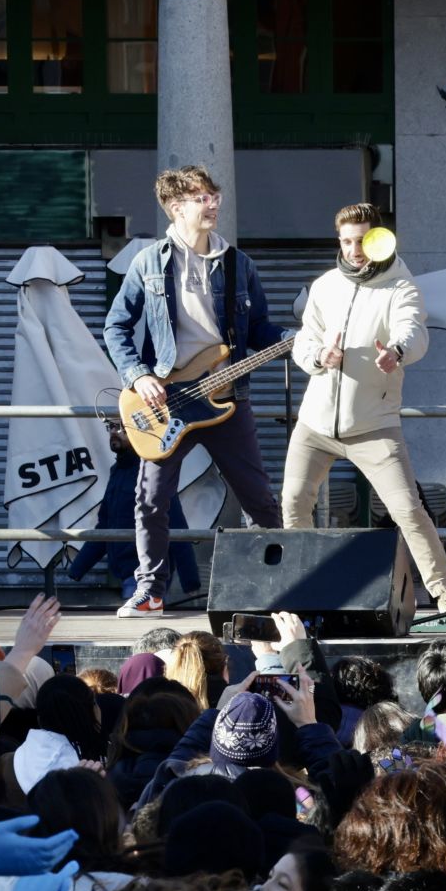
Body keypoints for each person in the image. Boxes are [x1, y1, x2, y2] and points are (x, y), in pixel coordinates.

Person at [105, 164, 288, 617]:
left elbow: (261, 327)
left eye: (214, 195)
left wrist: (296, 340)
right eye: (201, 197)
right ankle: (150, 591)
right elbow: (116, 326)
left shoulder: (238, 264)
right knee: (149, 499)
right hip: (167, 396)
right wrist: (139, 375)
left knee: (260, 500)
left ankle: (279, 587)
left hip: (228, 397)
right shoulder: (148, 262)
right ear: (175, 206)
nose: (213, 204)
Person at [281, 202, 446, 614]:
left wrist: (396, 352)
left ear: (379, 239)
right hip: (316, 423)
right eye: (345, 241)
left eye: (361, 240)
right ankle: (304, 595)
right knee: (292, 503)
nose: (353, 250)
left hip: (374, 425)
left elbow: (414, 330)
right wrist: (320, 356)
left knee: (408, 510)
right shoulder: (324, 286)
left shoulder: (401, 287)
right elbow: (304, 340)